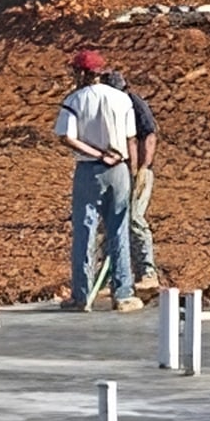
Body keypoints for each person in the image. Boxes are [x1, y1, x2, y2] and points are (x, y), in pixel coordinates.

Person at [54, 49, 142, 313]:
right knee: (118, 229)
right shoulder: (122, 99)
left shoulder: (74, 100)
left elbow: (65, 136)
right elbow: (131, 138)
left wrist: (96, 153)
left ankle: (82, 295)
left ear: (83, 73)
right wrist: (133, 170)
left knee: (85, 230)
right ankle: (123, 293)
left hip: (89, 168)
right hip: (121, 169)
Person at [103, 70, 159, 288]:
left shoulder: (133, 104)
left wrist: (142, 168)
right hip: (119, 171)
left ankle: (148, 272)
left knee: (135, 218)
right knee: (112, 223)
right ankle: (112, 276)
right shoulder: (112, 106)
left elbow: (149, 135)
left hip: (138, 172)